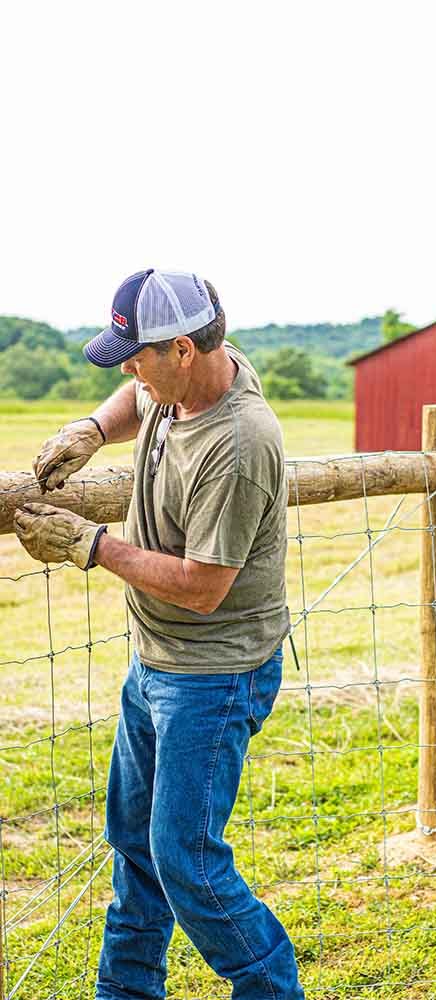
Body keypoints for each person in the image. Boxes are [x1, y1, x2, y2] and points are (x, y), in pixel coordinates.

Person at [13, 270, 304, 1000]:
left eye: (136, 354)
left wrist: (90, 546)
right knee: (134, 843)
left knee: (184, 859)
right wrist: (91, 429)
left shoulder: (238, 443)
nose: (128, 370)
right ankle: (127, 992)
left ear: (182, 347)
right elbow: (137, 396)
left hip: (213, 672)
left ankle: (271, 988)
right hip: (156, 664)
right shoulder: (189, 376)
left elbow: (206, 588)